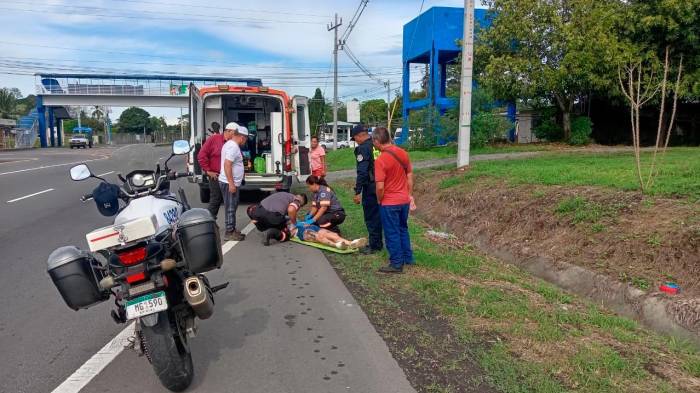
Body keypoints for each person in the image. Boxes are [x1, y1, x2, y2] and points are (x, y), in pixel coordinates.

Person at [372, 127, 414, 274]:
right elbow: (409, 176)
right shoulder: (403, 153)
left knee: (392, 232)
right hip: (404, 200)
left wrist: (379, 199)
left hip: (389, 202)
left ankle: (396, 264)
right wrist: (409, 195)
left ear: (377, 141)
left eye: (373, 140)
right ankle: (408, 258)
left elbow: (380, 187)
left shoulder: (380, 160)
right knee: (403, 229)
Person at [350, 125, 383, 254]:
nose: (355, 142)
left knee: (371, 216)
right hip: (383, 184)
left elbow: (362, 172)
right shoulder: (377, 145)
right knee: (380, 215)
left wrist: (358, 191)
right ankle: (379, 242)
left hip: (371, 187)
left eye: (355, 139)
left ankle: (375, 245)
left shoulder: (362, 148)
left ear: (359, 136)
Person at [219, 122, 248, 241]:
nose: (245, 141)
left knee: (232, 206)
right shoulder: (233, 147)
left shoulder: (229, 144)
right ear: (242, 137)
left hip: (230, 182)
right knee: (231, 207)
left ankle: (232, 228)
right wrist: (231, 183)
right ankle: (229, 232)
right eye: (245, 139)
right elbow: (227, 164)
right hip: (228, 182)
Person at [197, 122, 224, 219]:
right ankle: (208, 220)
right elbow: (201, 156)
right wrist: (208, 170)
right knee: (216, 198)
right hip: (215, 174)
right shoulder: (213, 139)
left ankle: (229, 226)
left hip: (225, 174)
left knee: (224, 199)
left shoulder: (226, 141)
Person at [292, 223, 367, 251]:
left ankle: (351, 243)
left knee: (334, 235)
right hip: (300, 232)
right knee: (318, 236)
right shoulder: (284, 224)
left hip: (312, 226)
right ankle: (337, 245)